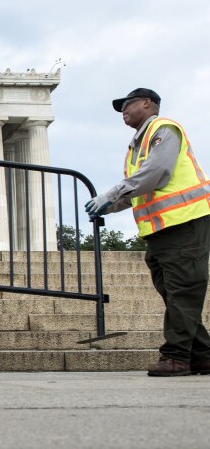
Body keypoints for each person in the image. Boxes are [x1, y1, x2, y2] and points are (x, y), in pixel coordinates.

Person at [86, 88, 210, 377]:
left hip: (184, 222)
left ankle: (176, 357)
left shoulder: (163, 129)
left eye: (127, 104)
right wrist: (111, 205)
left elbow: (156, 173)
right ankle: (203, 355)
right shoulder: (136, 146)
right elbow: (138, 190)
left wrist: (110, 193)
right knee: (174, 292)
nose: (123, 110)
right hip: (161, 230)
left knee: (182, 291)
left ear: (147, 103)